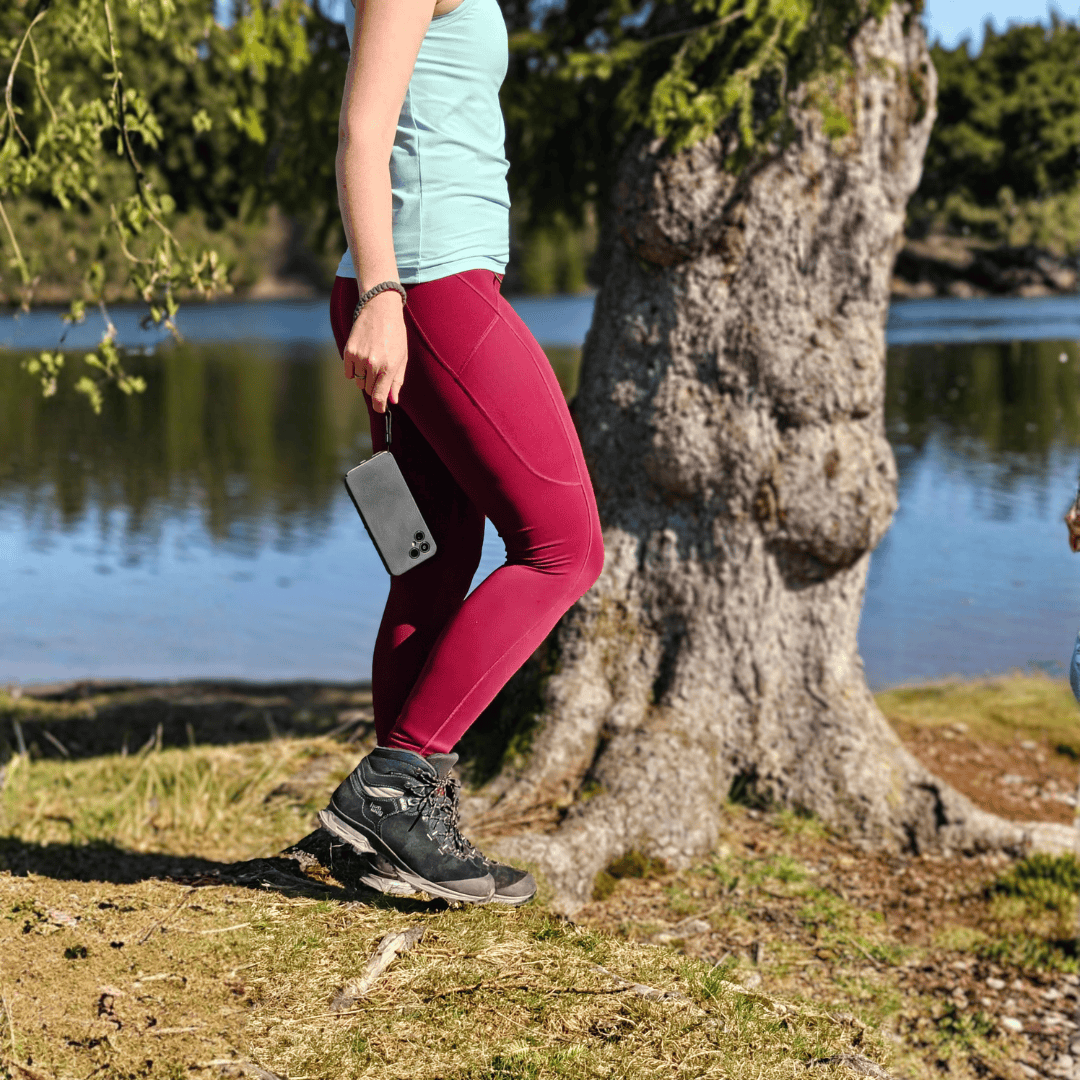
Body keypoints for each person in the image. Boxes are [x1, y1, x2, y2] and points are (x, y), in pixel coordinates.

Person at [320, 0, 605, 905]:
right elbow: (362, 134)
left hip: (415, 290)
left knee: (429, 565)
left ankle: (391, 835)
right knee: (564, 549)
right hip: (424, 289)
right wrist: (382, 296)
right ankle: (396, 788)